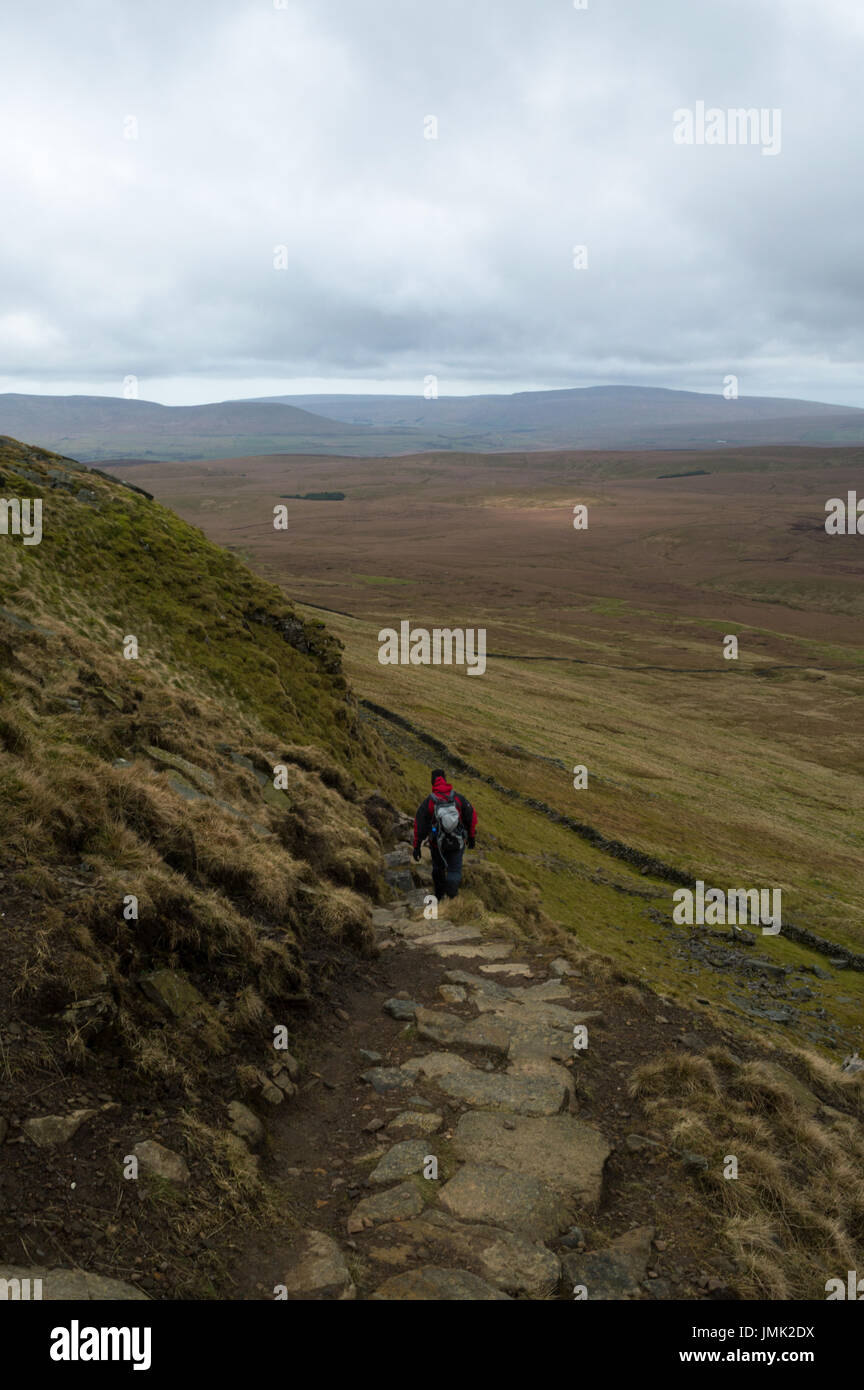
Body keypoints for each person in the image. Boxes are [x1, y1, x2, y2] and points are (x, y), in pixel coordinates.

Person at [412, 769, 477, 900]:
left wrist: (417, 846)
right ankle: (452, 895)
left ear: (432, 782)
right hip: (457, 842)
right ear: (445, 780)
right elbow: (471, 816)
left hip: (437, 844)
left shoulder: (429, 802)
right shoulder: (458, 798)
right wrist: (471, 837)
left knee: (438, 868)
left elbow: (419, 824)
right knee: (454, 869)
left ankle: (439, 895)